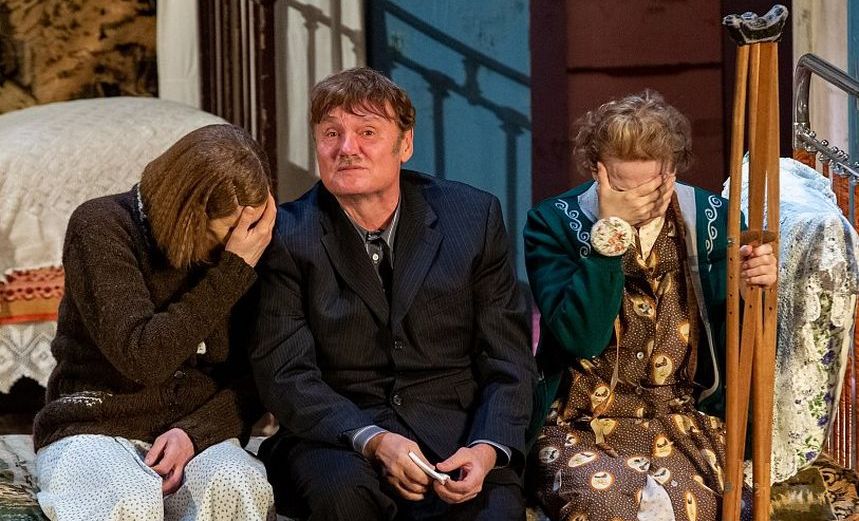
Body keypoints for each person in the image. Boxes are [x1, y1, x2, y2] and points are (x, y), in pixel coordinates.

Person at [248, 67, 537, 520]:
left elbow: (508, 359)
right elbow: (285, 374)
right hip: (340, 439)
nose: (347, 148)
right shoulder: (287, 235)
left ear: (405, 144)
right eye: (331, 134)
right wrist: (374, 440)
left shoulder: (472, 217)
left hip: (456, 434)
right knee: (342, 497)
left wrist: (486, 449)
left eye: (367, 132)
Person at [524, 91, 777, 521]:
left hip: (680, 419)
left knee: (711, 509)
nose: (639, 203)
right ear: (597, 170)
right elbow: (581, 337)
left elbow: (738, 331)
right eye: (624, 189)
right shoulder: (553, 223)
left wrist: (756, 285)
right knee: (604, 506)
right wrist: (610, 232)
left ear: (672, 170)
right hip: (581, 422)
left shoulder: (713, 220)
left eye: (653, 189)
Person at [32, 124, 277, 521]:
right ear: (187, 217)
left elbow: (259, 377)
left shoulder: (249, 244)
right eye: (222, 238)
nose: (232, 248)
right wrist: (231, 271)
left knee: (238, 484)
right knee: (129, 499)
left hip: (193, 430)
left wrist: (195, 433)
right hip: (97, 424)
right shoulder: (100, 226)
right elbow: (143, 359)